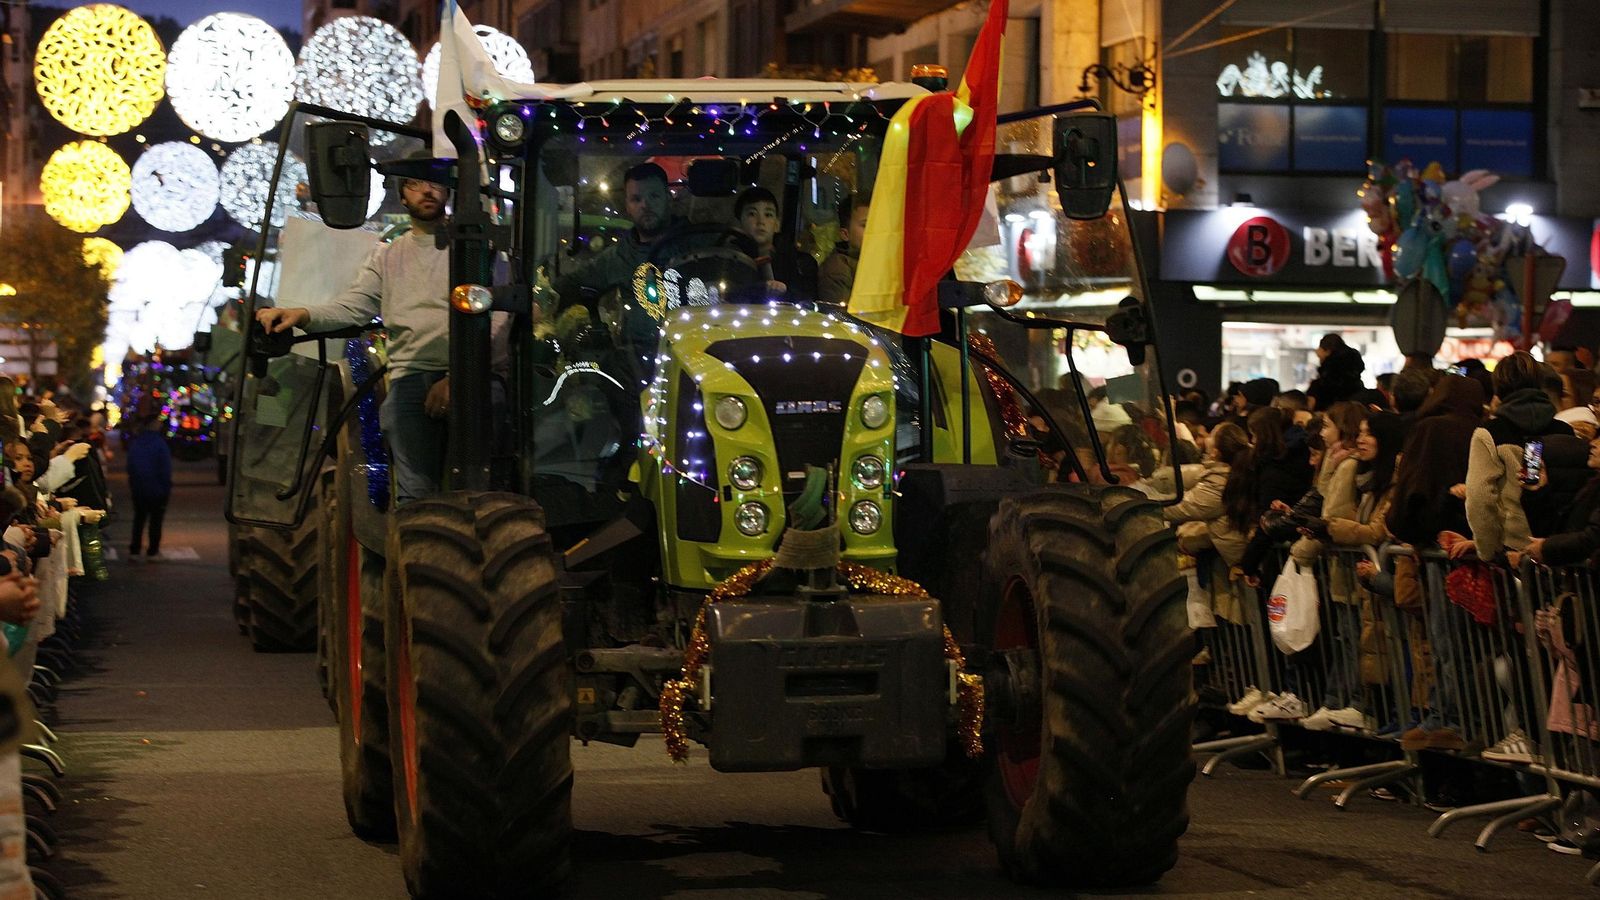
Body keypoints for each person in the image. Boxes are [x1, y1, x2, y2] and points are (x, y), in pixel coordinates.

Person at [257, 169, 453, 504]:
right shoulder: (389, 255)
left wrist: (458, 376)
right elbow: (353, 307)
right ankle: (413, 537)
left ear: (449, 191)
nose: (427, 191)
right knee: (416, 494)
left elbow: (498, 316)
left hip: (473, 377)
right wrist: (302, 314)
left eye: (436, 183)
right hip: (410, 376)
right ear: (402, 196)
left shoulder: (476, 250)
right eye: (415, 182)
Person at [1452, 351, 1574, 563]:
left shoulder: (1490, 432)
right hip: (1560, 550)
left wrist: (1488, 550)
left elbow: (1480, 498)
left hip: (1515, 551)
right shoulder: (1564, 430)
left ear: (1498, 387)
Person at [552, 162, 678, 309]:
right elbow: (569, 286)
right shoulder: (617, 258)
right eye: (636, 199)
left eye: (654, 196)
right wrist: (541, 302)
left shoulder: (698, 245)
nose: (645, 205)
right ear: (627, 206)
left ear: (668, 198)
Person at [733, 186, 818, 302]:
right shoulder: (730, 259)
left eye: (768, 215)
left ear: (777, 224)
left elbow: (807, 301)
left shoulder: (799, 264)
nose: (761, 222)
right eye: (752, 214)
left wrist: (785, 292)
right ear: (739, 222)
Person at [124, 414, 172, 558]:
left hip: (139, 488)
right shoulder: (160, 444)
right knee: (155, 521)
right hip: (157, 489)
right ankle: (152, 551)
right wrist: (166, 487)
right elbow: (165, 469)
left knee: (139, 519)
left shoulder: (136, 443)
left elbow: (130, 466)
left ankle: (135, 549)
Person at [819, 194, 869, 305]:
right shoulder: (838, 268)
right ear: (845, 234)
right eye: (865, 225)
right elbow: (842, 316)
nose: (874, 231)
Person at [1306, 333, 1366, 411]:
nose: (1317, 352)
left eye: (1319, 348)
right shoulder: (1359, 389)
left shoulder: (1320, 387)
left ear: (1327, 351)